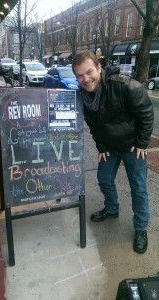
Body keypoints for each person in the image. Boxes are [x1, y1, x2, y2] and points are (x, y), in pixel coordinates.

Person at [72, 51, 154, 254]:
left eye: (89, 72)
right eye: (80, 76)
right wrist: (101, 147)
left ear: (99, 68)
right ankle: (112, 208)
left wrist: (142, 143)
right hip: (110, 147)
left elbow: (146, 113)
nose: (85, 79)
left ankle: (141, 228)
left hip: (133, 146)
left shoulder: (123, 85)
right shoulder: (83, 96)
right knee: (104, 178)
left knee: (138, 187)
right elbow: (94, 125)